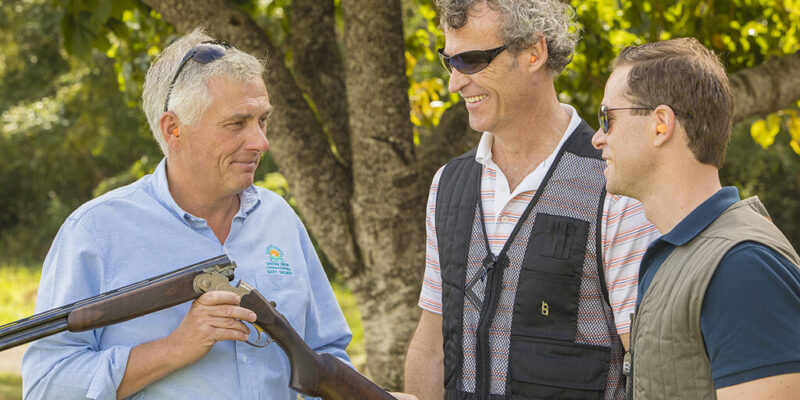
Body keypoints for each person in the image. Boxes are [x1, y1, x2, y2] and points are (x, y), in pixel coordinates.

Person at [21, 29, 353, 399]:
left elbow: (329, 353)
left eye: (263, 120)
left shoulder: (279, 217)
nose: (261, 141)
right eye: (237, 123)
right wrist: (177, 347)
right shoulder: (95, 232)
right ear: (173, 128)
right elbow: (47, 386)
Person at [403, 1, 658, 399]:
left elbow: (648, 364)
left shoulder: (614, 185)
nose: (454, 82)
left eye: (471, 60)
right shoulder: (448, 185)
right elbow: (430, 347)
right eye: (449, 61)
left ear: (534, 53)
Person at [590, 37, 800, 399]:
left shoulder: (742, 264)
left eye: (607, 118)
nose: (597, 138)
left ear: (660, 124)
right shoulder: (679, 254)